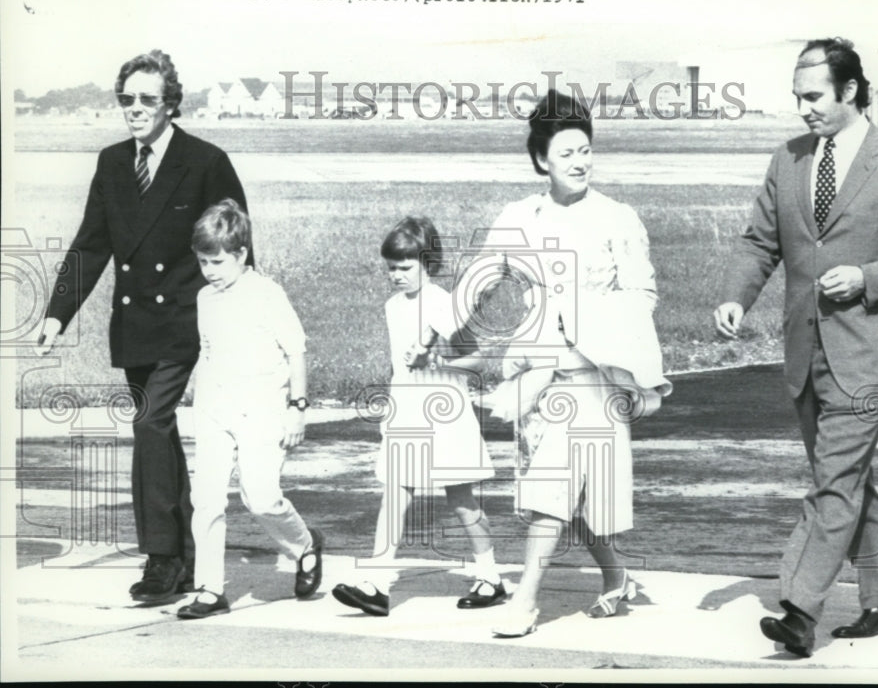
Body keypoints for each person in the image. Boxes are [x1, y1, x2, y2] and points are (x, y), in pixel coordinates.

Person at [714, 38, 878, 657]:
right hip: (804, 352)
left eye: (814, 96)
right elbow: (759, 241)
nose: (804, 109)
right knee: (845, 480)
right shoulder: (788, 157)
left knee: (835, 481)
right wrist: (737, 295)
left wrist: (868, 279)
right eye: (798, 97)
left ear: (849, 91)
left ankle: (798, 609)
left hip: (868, 354)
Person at [35, 50, 251, 604]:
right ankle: (184, 549)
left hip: (189, 319)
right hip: (135, 323)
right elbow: (91, 243)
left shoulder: (205, 161)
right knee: (155, 430)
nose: (135, 108)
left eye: (147, 99)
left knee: (152, 422)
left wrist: (243, 323)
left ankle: (162, 559)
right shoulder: (111, 163)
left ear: (170, 104)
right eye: (126, 98)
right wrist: (58, 313)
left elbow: (239, 248)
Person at [455, 90, 670, 638]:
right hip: (538, 379)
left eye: (586, 150)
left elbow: (643, 293)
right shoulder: (518, 217)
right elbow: (479, 283)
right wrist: (445, 337)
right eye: (567, 152)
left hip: (594, 382)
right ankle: (617, 577)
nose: (579, 161)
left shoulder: (618, 218)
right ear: (541, 160)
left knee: (553, 490)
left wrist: (606, 329)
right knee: (577, 496)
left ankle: (525, 600)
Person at [331, 216, 502, 616]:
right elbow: (398, 368)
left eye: (405, 267)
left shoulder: (442, 303)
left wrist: (436, 357)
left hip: (445, 414)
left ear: (429, 263)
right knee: (396, 493)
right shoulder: (393, 307)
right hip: (407, 413)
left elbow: (477, 359)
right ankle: (377, 581)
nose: (396, 275)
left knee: (461, 500)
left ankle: (490, 577)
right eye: (391, 267)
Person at [176, 199, 323, 619]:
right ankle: (209, 589)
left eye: (218, 261)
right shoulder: (205, 298)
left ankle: (305, 546)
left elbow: (296, 350)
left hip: (263, 409)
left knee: (259, 497)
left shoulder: (267, 294)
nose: (209, 270)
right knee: (206, 499)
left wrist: (297, 407)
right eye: (203, 261)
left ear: (241, 254)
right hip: (214, 409)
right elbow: (208, 351)